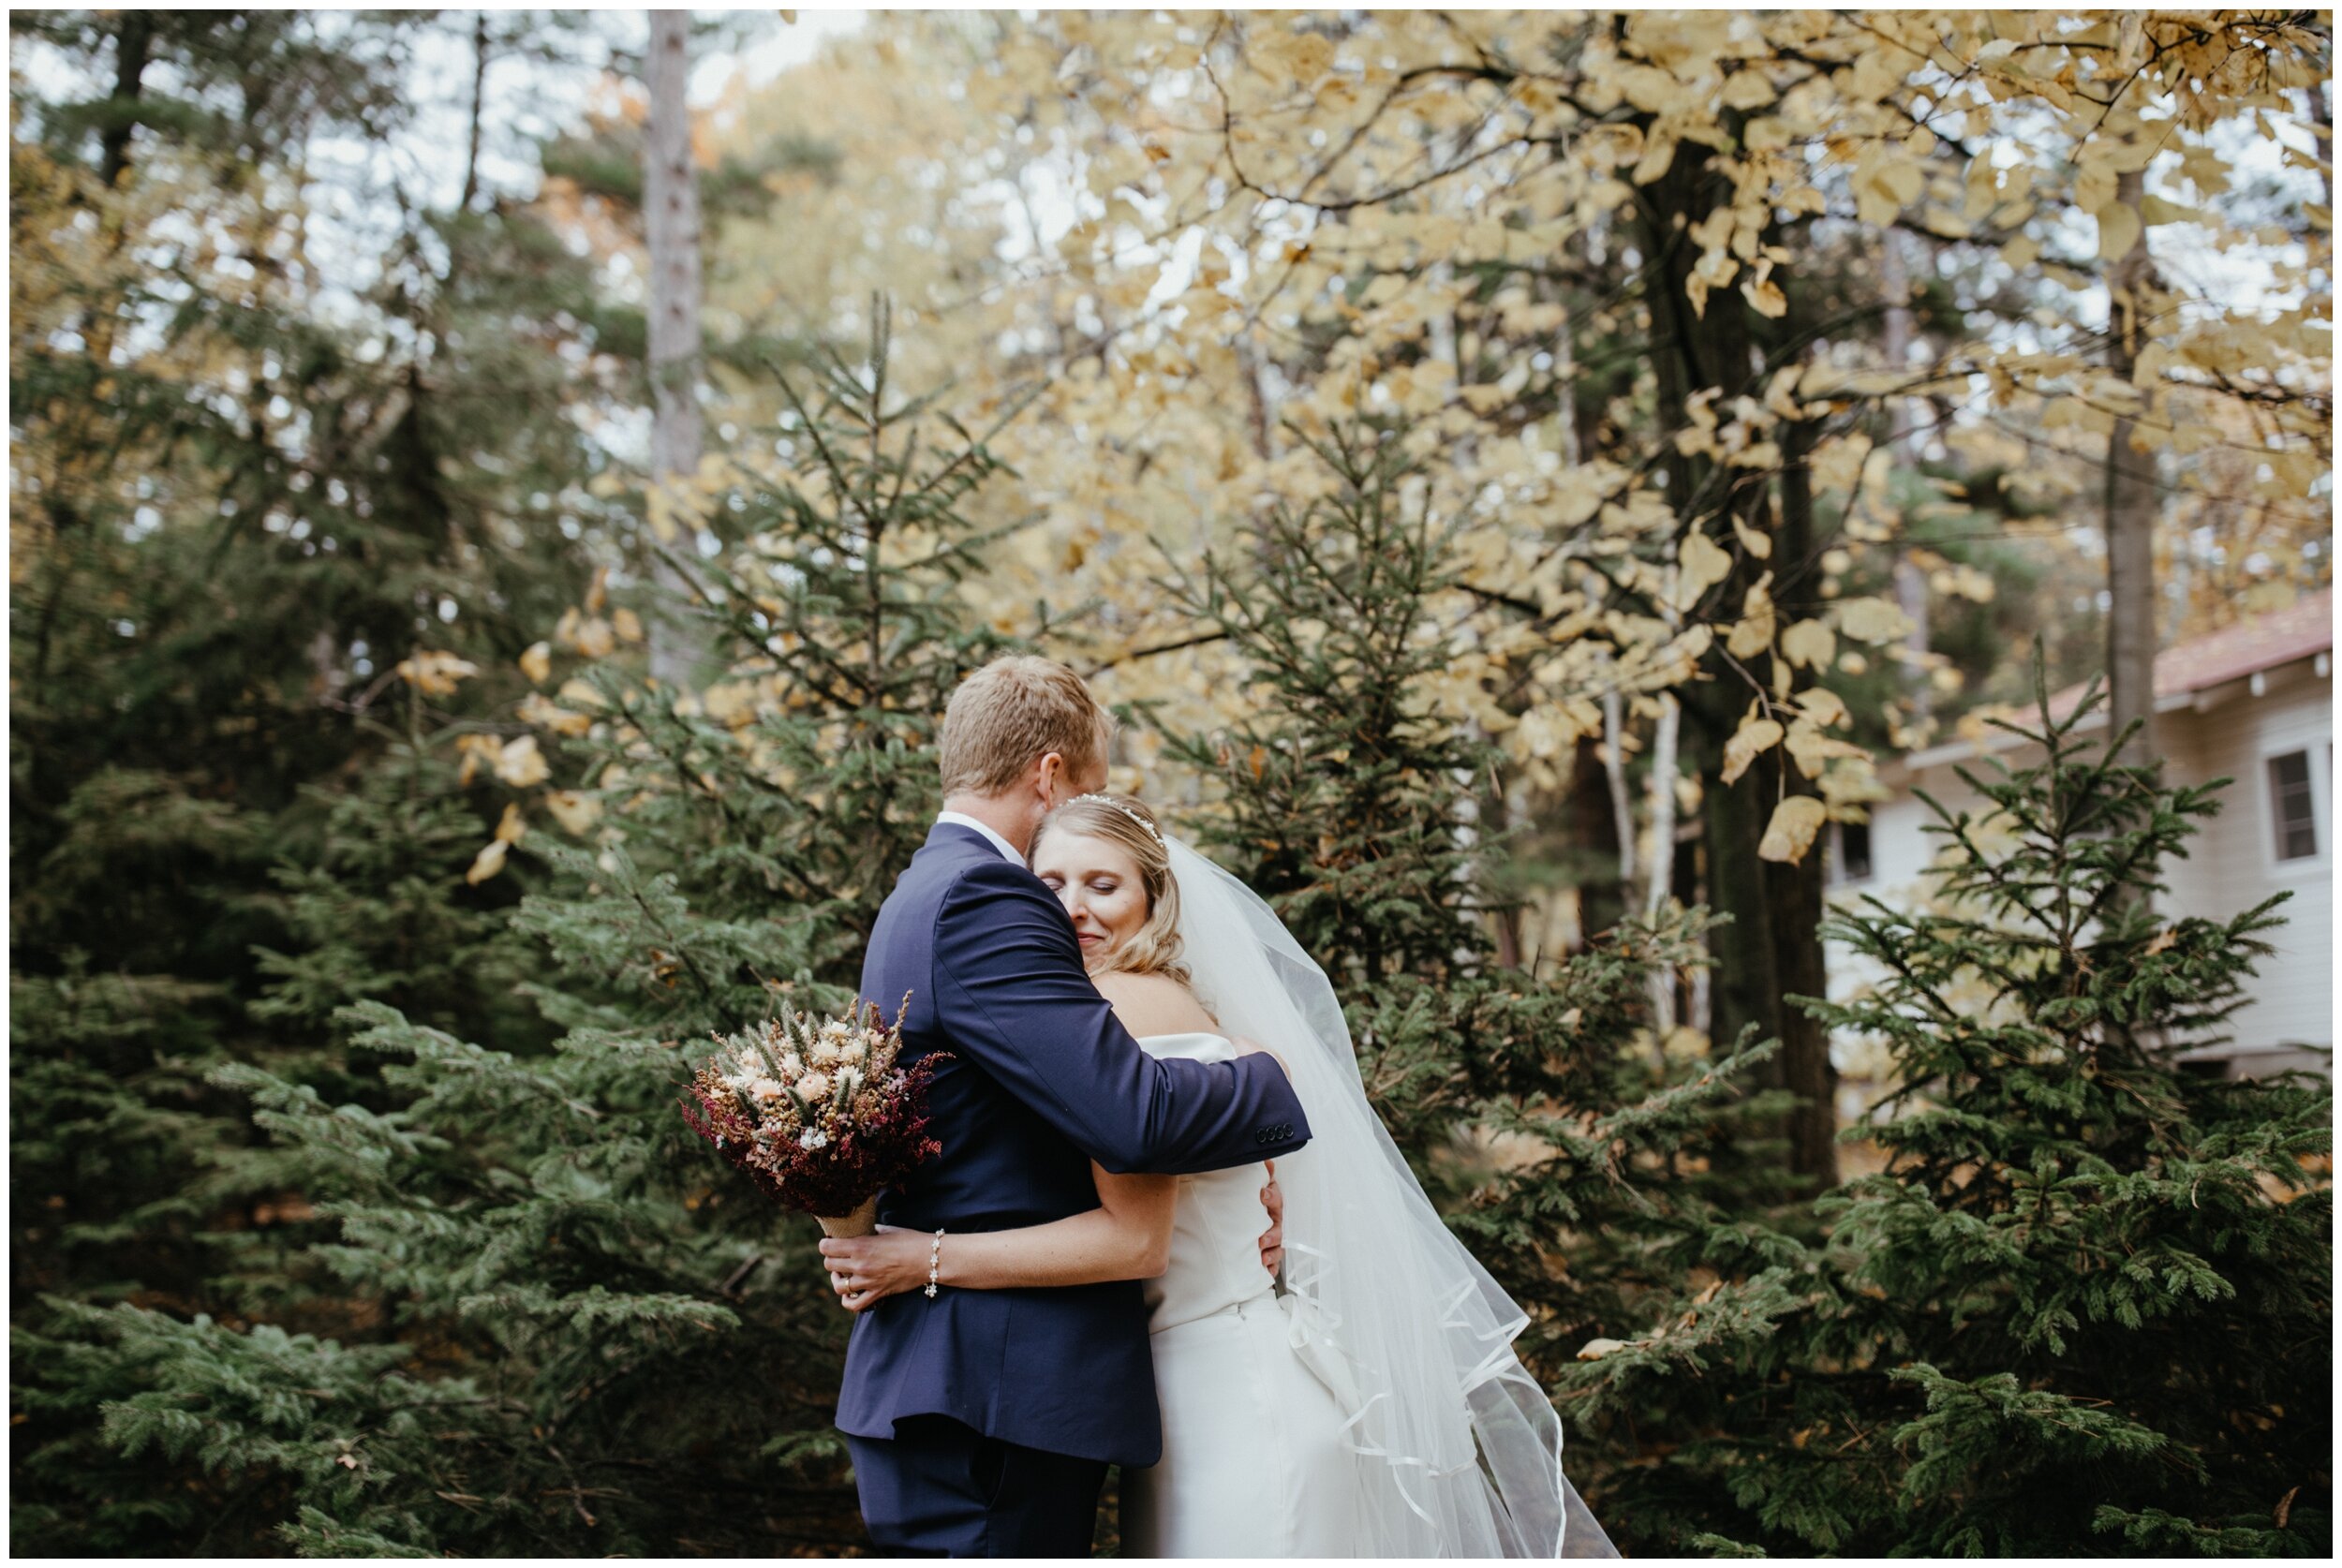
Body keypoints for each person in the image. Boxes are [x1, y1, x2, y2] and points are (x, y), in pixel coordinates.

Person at [823, 791, 1620, 1558]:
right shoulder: (1125, 1005)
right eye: (1052, 884)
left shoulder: (1123, 1010)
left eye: (1105, 886)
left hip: (1235, 1395)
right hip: (1193, 1390)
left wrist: (919, 1254)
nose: (1074, 908)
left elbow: (1138, 1240)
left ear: (1155, 900)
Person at [823, 656, 1312, 1558]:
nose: (1069, 903)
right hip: (994, 1395)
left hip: (965, 1387)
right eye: (1087, 786)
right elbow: (1132, 1121)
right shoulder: (983, 895)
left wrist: (1246, 1186)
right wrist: (1271, 1077)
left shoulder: (915, 894)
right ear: (1049, 774)